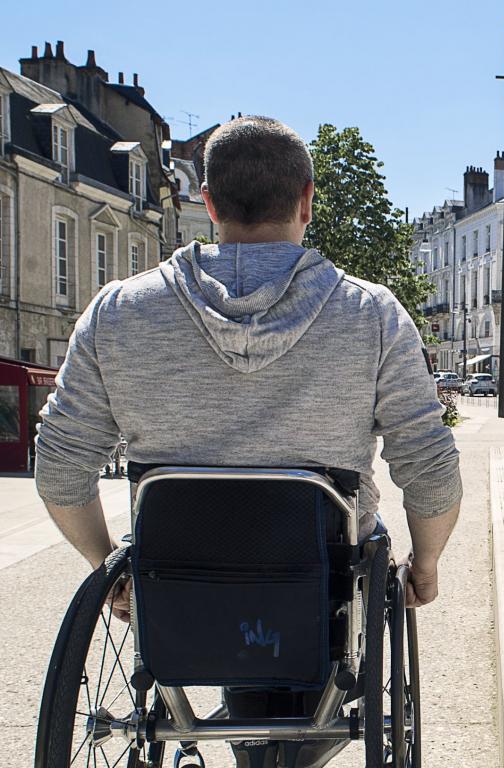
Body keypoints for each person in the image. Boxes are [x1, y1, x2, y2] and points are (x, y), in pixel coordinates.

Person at [34, 116, 461, 768]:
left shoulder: (119, 312)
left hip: (182, 582)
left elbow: (60, 467)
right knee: (362, 547)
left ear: (207, 203)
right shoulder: (371, 314)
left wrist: (106, 568)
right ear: (306, 201)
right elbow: (429, 468)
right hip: (317, 585)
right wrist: (425, 565)